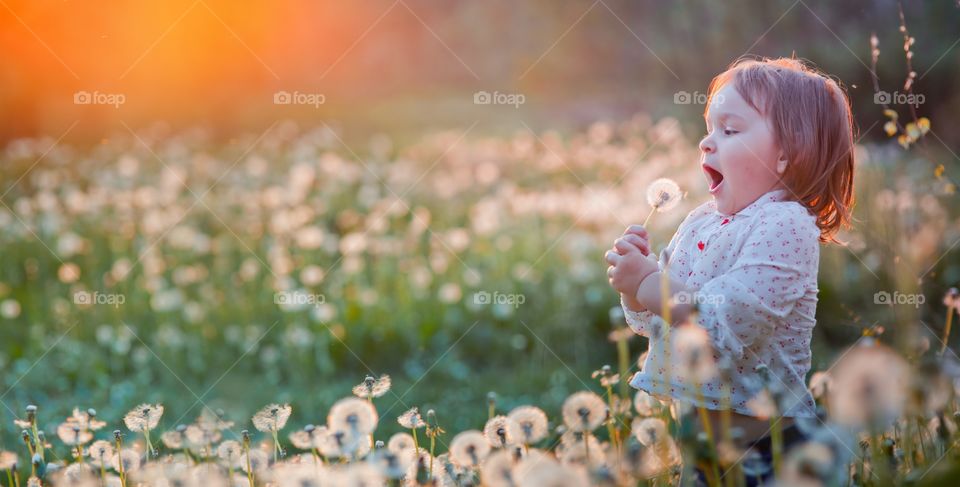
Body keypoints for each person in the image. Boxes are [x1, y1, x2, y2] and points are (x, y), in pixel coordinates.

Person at [604, 56, 856, 485]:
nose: (706, 142)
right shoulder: (702, 220)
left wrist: (649, 281)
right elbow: (655, 322)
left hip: (773, 453)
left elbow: (723, 327)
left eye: (730, 129)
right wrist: (634, 289)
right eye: (709, 128)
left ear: (786, 155)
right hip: (702, 447)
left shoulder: (786, 225)